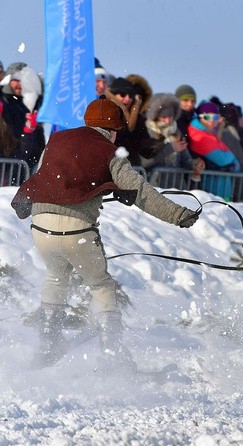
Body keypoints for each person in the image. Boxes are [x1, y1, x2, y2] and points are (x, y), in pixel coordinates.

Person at [10, 97, 199, 371]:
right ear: (114, 129)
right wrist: (179, 215)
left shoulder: (57, 140)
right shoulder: (108, 151)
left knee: (56, 275)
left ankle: (48, 343)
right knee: (100, 285)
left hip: (41, 226)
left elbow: (47, 177)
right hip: (78, 231)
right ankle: (112, 353)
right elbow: (142, 192)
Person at [143, 93, 205, 177]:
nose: (168, 121)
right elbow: (144, 162)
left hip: (176, 184)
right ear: (155, 115)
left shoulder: (176, 131)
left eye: (170, 116)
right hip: (154, 185)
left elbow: (185, 159)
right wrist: (170, 148)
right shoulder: (146, 130)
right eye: (164, 117)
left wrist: (194, 164)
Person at [188, 101, 240, 199]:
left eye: (215, 117)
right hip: (209, 194)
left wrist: (231, 159)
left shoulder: (210, 134)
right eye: (207, 117)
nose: (212, 121)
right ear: (200, 117)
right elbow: (223, 160)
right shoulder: (198, 135)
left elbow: (234, 161)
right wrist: (231, 159)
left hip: (220, 191)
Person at [0, 64, 45, 171]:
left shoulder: (31, 103)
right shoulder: (5, 104)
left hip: (27, 166)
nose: (20, 84)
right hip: (10, 168)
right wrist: (28, 132)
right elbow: (12, 147)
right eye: (16, 80)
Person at [106, 77, 159, 166]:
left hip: (131, 170)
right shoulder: (104, 113)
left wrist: (160, 141)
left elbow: (145, 150)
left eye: (130, 95)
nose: (127, 99)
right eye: (123, 94)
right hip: (109, 167)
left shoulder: (139, 119)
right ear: (113, 95)